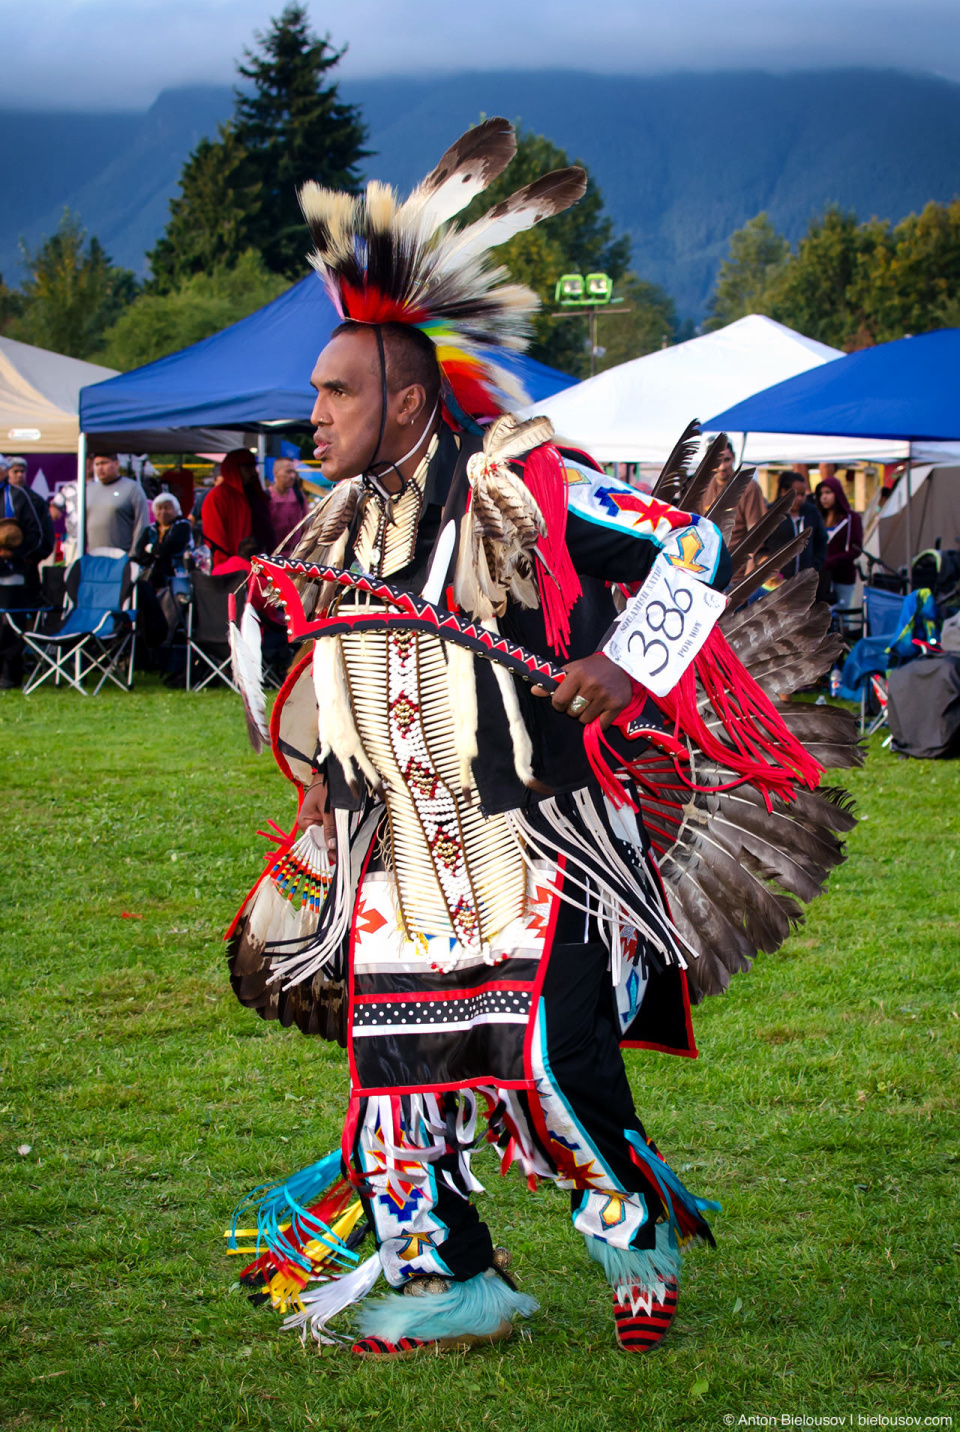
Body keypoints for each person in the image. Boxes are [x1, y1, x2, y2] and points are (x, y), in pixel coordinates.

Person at [222, 121, 857, 1362]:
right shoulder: (331, 535)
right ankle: (456, 1282)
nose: (313, 414)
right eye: (313, 392)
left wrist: (629, 665)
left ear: (406, 396)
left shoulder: (526, 486)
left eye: (335, 390)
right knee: (393, 1110)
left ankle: (637, 1237)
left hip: (537, 847)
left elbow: (697, 546)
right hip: (402, 863)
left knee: (555, 1080)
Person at [0, 462, 54, 687]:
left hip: (10, 574)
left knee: (8, 626)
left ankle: (9, 675)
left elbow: (38, 535)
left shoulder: (19, 497)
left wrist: (13, 554)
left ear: (4, 471)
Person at [696, 440, 765, 569]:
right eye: (717, 461)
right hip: (710, 568)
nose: (722, 467)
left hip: (739, 569)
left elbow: (756, 533)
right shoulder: (703, 488)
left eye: (726, 460)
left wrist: (749, 571)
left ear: (733, 457)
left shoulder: (748, 487)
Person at [201, 450, 274, 567]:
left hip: (260, 562)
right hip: (235, 568)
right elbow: (215, 538)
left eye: (253, 467)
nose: (253, 472)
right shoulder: (218, 496)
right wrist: (227, 567)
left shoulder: (254, 493)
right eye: (247, 468)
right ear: (235, 469)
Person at [764, 470, 828, 579]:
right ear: (783, 492)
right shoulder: (771, 514)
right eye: (796, 494)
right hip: (775, 581)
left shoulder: (811, 513)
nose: (800, 499)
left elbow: (821, 542)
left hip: (803, 581)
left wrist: (814, 567)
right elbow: (759, 546)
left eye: (803, 495)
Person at [85, 454, 150, 555]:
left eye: (104, 463)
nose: (100, 468)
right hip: (94, 557)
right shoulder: (88, 489)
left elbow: (141, 523)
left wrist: (134, 554)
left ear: (116, 464)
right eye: (97, 464)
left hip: (121, 557)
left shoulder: (132, 488)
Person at [815, 475, 862, 607]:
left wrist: (832, 561)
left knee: (843, 615)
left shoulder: (852, 518)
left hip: (843, 576)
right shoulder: (818, 519)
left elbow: (856, 549)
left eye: (828, 492)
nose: (823, 497)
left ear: (837, 493)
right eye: (821, 493)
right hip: (821, 578)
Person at [132, 493, 192, 589]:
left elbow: (170, 547)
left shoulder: (182, 526)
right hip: (152, 575)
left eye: (167, 508)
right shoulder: (150, 529)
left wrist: (150, 548)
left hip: (177, 574)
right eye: (159, 508)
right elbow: (140, 552)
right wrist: (157, 550)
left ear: (176, 510)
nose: (163, 512)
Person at [266, 456, 308, 549]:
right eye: (288, 472)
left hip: (294, 555)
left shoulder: (299, 497)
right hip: (271, 555)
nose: (292, 476)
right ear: (276, 473)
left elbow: (306, 527)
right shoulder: (266, 498)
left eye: (294, 472)